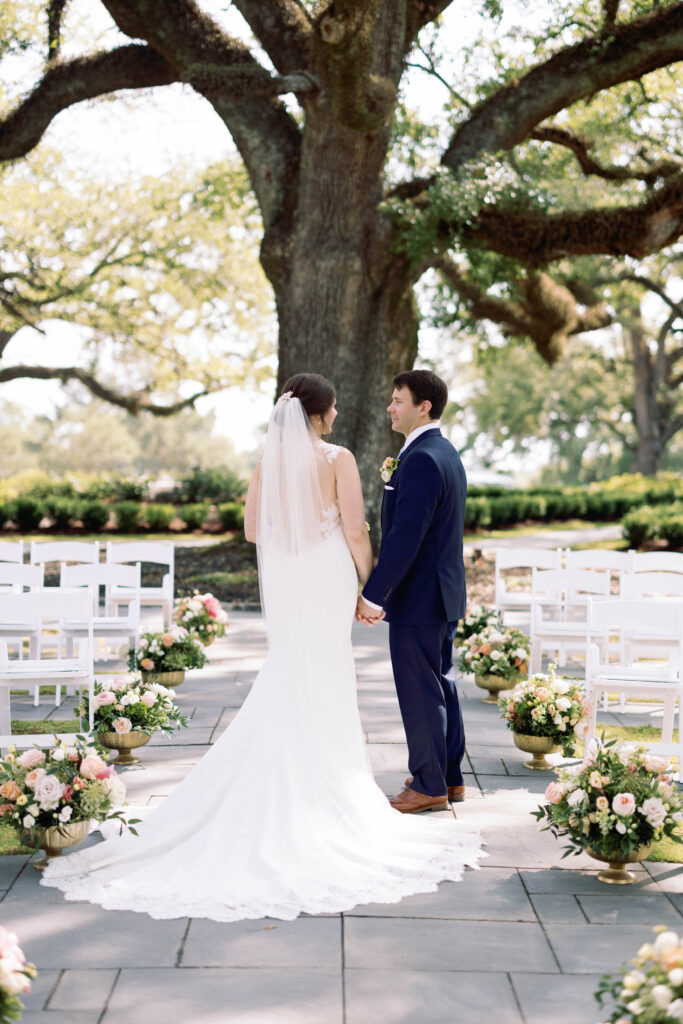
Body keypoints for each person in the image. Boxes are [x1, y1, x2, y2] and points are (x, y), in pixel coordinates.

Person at [41, 373, 483, 921]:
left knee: (294, 669)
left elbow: (254, 531)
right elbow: (354, 531)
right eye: (337, 408)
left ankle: (423, 776)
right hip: (329, 578)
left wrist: (304, 544)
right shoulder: (339, 459)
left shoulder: (268, 466)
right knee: (341, 674)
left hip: (296, 581)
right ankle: (410, 779)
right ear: (320, 415)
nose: (343, 415)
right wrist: (367, 588)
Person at [357, 370, 468, 814]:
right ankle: (449, 777)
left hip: (420, 598)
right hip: (441, 595)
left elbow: (406, 536)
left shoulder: (421, 458)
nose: (390, 406)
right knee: (442, 686)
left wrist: (374, 594)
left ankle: (428, 785)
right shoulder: (445, 452)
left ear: (424, 406)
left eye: (398, 399)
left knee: (421, 691)